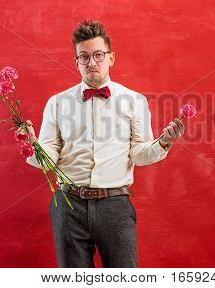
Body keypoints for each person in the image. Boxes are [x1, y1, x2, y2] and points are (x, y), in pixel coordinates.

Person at [25, 19, 185, 268]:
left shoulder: (134, 101)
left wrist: (163, 142)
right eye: (84, 56)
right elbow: (48, 159)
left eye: (99, 55)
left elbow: (140, 154)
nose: (92, 62)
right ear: (76, 62)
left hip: (116, 206)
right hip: (68, 206)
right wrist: (33, 146)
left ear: (111, 58)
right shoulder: (56, 103)